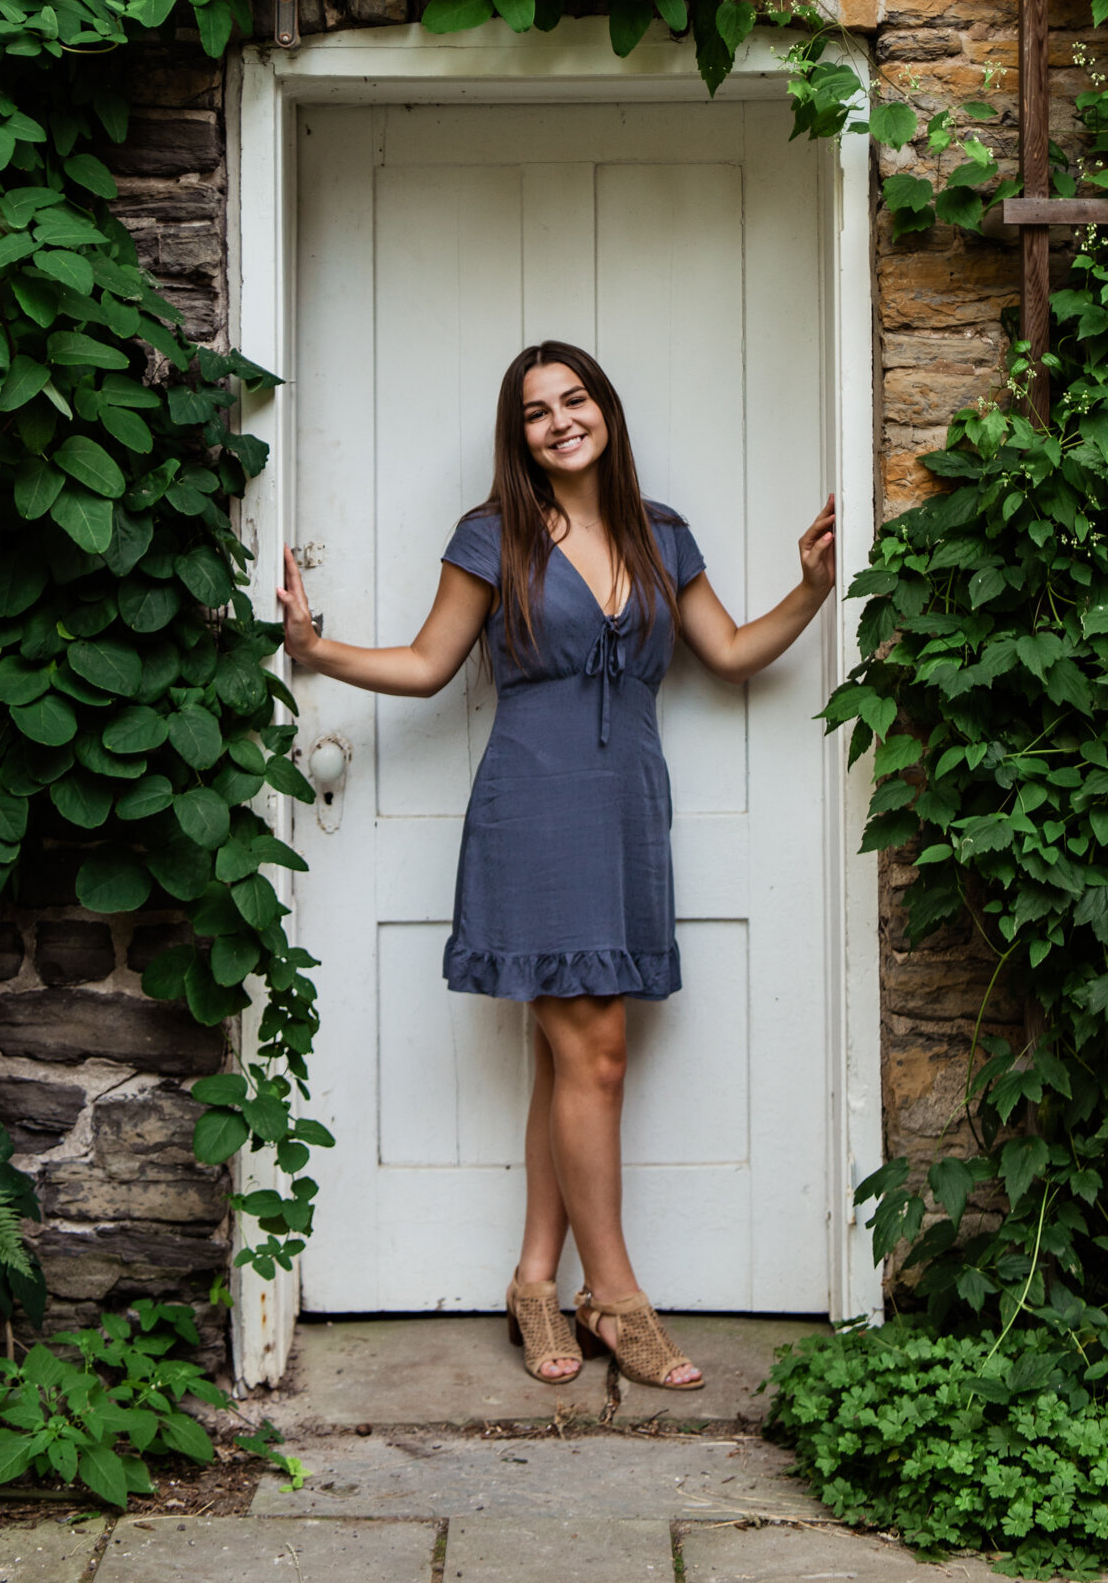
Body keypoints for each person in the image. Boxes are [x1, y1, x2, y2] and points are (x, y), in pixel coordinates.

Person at [278, 341, 834, 1393]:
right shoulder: (491, 537)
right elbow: (429, 662)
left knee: (569, 1055)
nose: (559, 420)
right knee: (599, 1054)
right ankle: (616, 1297)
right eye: (535, 411)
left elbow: (728, 650)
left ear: (604, 411)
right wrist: (319, 652)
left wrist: (808, 590)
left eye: (573, 400)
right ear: (518, 436)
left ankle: (535, 1279)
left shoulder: (660, 534)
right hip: (531, 808)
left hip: (627, 806)